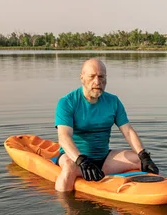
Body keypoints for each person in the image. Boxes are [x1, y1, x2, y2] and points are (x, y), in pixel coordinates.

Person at [53, 58, 159, 191]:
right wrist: (81, 161)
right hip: (75, 159)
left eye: (101, 76)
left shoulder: (113, 101)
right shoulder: (67, 102)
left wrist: (144, 155)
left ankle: (147, 190)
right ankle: (67, 207)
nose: (97, 81)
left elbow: (128, 131)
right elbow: (64, 137)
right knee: (69, 167)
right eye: (92, 77)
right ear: (82, 78)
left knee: (138, 160)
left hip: (104, 158)